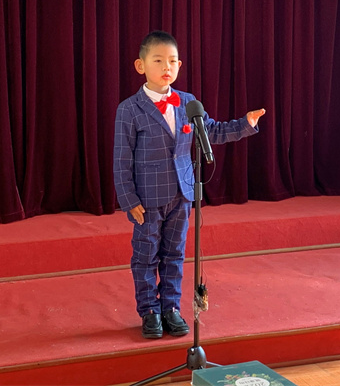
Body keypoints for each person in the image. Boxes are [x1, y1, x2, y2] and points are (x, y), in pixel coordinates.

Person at [113, 30, 266, 339]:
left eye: (172, 61)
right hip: (147, 198)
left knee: (175, 254)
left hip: (182, 195)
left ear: (180, 65)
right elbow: (121, 159)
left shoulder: (188, 102)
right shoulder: (129, 109)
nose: (166, 67)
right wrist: (129, 199)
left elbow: (212, 131)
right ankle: (149, 310)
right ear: (141, 66)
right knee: (145, 256)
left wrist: (245, 124)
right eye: (158, 60)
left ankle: (170, 307)